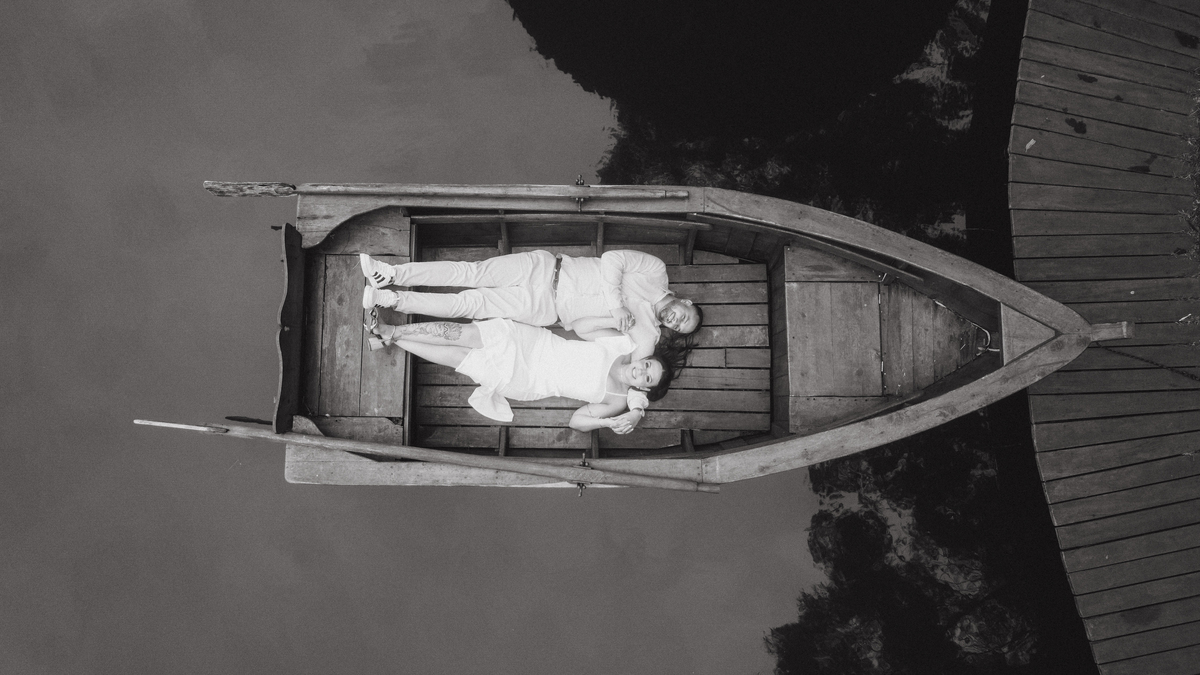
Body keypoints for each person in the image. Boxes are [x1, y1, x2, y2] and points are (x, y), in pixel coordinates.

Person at [359, 250, 702, 360]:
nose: (675, 321)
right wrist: (616, 305)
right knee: (471, 272)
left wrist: (614, 324)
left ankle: (391, 299)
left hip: (543, 308)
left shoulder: (646, 335)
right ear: (685, 301)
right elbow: (613, 258)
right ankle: (390, 273)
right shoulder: (656, 271)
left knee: (469, 304)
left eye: (679, 327)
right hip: (547, 268)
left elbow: (587, 334)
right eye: (683, 316)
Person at [364, 316, 683, 433]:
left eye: (647, 378)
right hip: (533, 342)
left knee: (459, 359)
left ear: (644, 388)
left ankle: (391, 337)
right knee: (463, 334)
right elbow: (582, 327)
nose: (642, 371)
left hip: (528, 380)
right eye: (648, 365)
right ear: (645, 359)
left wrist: (607, 422)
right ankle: (391, 331)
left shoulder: (616, 400)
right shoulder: (622, 346)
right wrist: (614, 323)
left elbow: (576, 422)